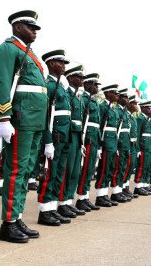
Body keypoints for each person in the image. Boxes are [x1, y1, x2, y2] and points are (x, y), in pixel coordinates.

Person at [0, 10, 45, 243]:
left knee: (25, 170)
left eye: (35, 28)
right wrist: (4, 118)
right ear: (17, 27)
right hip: (20, 120)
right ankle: (8, 224)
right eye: (30, 26)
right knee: (15, 170)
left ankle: (17, 216)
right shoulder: (7, 49)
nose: (35, 31)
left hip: (34, 121)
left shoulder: (28, 52)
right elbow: (2, 83)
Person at [37, 49, 73, 225]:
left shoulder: (61, 86)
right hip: (55, 135)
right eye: (61, 62)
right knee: (49, 173)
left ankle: (52, 208)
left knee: (58, 172)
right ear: (51, 64)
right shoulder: (49, 86)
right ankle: (44, 211)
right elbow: (44, 117)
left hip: (64, 135)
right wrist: (48, 141)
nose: (65, 66)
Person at [61, 65, 86, 216]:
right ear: (70, 78)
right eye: (79, 77)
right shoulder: (67, 94)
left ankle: (69, 201)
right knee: (67, 169)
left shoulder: (79, 97)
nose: (82, 80)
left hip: (78, 136)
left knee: (75, 171)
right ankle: (62, 202)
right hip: (69, 135)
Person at [75, 73, 101, 212]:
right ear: (87, 84)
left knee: (90, 169)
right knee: (84, 169)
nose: (97, 87)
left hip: (94, 137)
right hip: (87, 138)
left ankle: (84, 197)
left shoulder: (94, 100)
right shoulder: (82, 98)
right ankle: (80, 199)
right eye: (95, 84)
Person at [95, 84, 122, 206]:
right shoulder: (103, 107)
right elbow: (100, 126)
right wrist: (100, 145)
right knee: (104, 168)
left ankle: (104, 194)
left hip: (112, 142)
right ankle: (100, 196)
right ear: (107, 94)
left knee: (110, 169)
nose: (117, 95)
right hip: (105, 141)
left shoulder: (113, 109)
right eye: (114, 93)